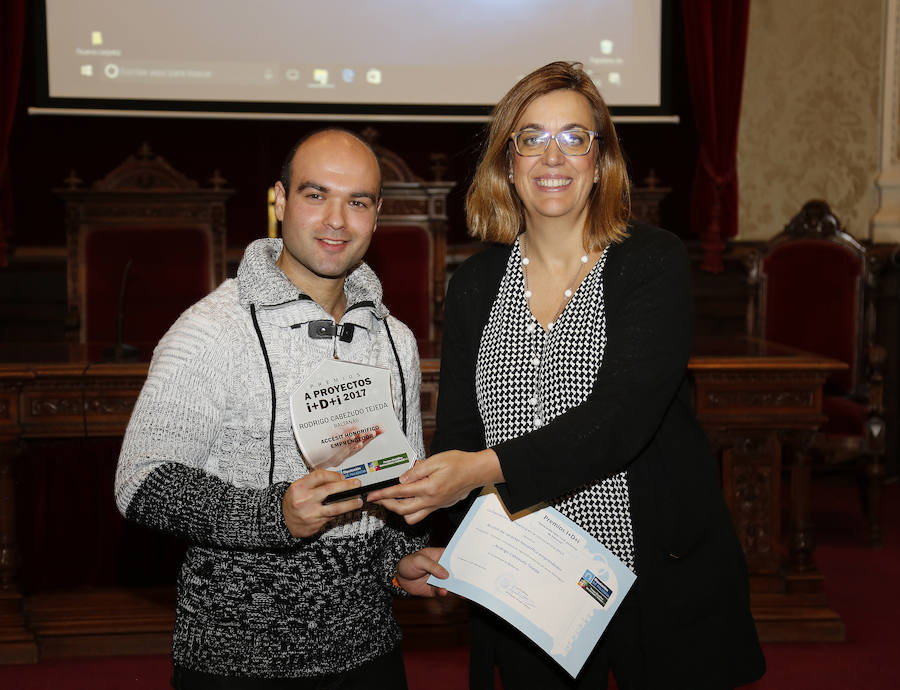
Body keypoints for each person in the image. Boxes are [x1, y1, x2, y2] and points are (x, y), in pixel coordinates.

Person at [368, 62, 766, 689]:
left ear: (600, 159)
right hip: (530, 581)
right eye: (531, 137)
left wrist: (481, 469)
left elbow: (620, 419)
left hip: (651, 572)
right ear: (507, 160)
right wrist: (451, 542)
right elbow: (458, 436)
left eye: (575, 137)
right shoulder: (474, 283)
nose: (553, 156)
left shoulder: (650, 262)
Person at [115, 128, 447, 690]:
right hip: (236, 662)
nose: (337, 219)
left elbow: (387, 491)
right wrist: (277, 516)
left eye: (358, 201)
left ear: (377, 214)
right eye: (316, 194)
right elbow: (141, 484)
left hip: (371, 652)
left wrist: (398, 560)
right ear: (279, 200)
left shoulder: (397, 339)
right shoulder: (210, 329)